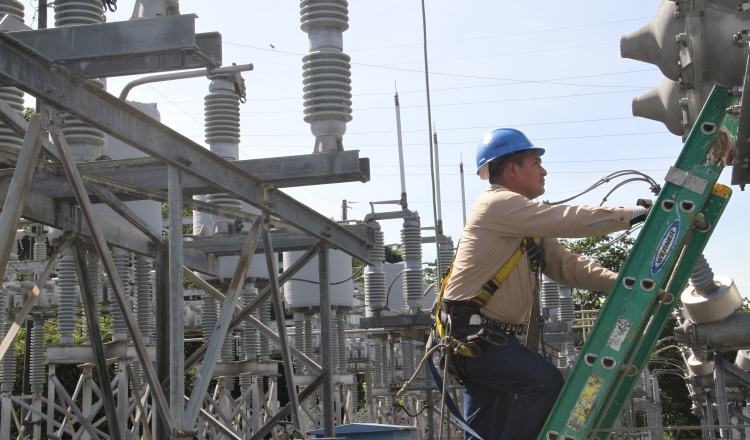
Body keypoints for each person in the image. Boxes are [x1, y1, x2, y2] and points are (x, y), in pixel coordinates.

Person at [440, 128, 647, 440]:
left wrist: (624, 284)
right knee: (543, 383)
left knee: (486, 433)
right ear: (512, 169)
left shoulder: (526, 220)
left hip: (484, 340)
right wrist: (630, 214)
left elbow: (565, 266)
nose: (543, 170)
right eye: (535, 163)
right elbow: (565, 218)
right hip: (473, 336)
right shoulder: (497, 204)